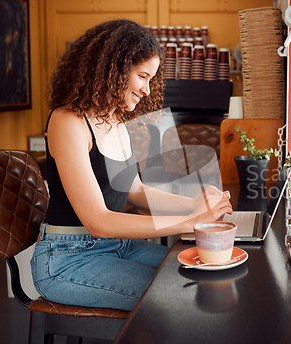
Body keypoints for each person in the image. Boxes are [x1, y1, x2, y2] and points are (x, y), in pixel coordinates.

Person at [30, 19, 232, 312]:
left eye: (152, 79)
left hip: (118, 246)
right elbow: (98, 221)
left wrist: (195, 205)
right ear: (114, 67)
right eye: (143, 76)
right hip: (67, 259)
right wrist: (190, 222)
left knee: (198, 276)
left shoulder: (116, 121)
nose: (148, 90)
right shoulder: (68, 122)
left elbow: (135, 190)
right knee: (178, 295)